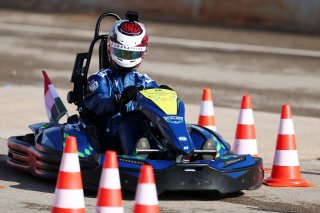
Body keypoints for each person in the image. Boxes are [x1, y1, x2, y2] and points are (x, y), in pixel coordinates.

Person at [84, 12, 171, 155]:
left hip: (140, 128)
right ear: (111, 48)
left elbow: (159, 108)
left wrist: (166, 95)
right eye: (123, 53)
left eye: (132, 54)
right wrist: (119, 99)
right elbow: (98, 105)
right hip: (109, 131)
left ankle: (179, 152)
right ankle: (138, 158)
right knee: (129, 124)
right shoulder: (100, 79)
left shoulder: (144, 80)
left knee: (161, 124)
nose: (127, 58)